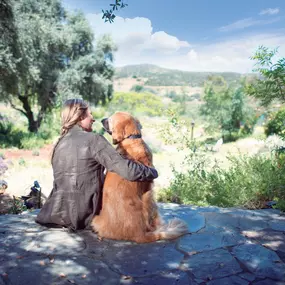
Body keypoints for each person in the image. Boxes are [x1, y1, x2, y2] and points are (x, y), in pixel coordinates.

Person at [36, 98, 158, 231]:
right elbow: (128, 171)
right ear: (81, 116)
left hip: (56, 213)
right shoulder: (93, 140)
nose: (93, 119)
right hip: (84, 216)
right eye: (90, 115)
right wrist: (152, 172)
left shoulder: (60, 142)